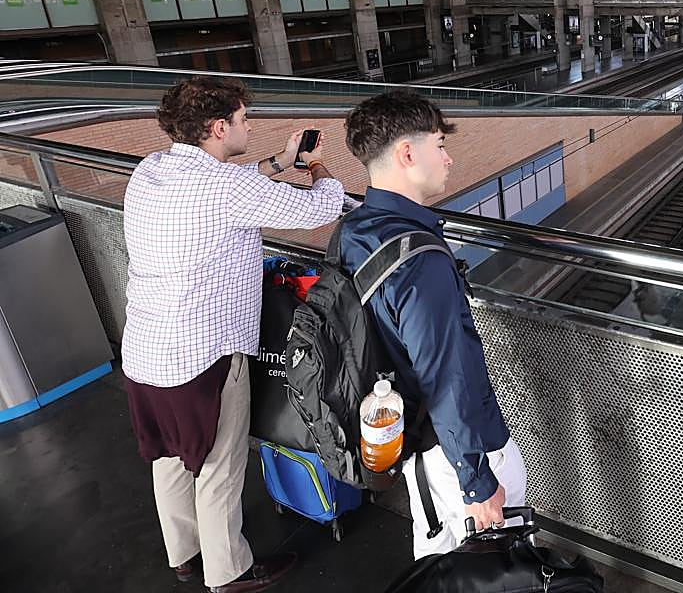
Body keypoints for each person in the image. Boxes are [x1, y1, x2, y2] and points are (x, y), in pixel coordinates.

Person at [123, 77, 346, 592]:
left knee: (172, 456)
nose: (250, 125)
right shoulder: (227, 188)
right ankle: (229, 572)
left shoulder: (151, 169)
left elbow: (231, 187)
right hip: (207, 354)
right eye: (245, 119)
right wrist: (315, 167)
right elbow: (320, 208)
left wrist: (276, 162)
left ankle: (185, 554)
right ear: (219, 126)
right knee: (220, 465)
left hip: (146, 350)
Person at [340, 90, 525, 558]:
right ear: (407, 153)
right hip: (457, 451)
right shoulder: (421, 261)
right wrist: (478, 482)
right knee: (492, 565)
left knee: (437, 556)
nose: (448, 157)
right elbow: (447, 375)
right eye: (439, 145)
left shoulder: (354, 229)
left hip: (408, 443)